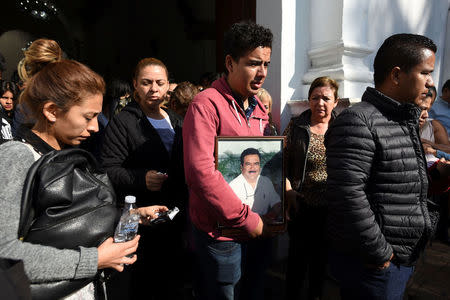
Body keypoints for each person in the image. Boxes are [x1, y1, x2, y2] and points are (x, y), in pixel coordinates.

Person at [0, 38, 166, 299]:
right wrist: (94, 260)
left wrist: (130, 217)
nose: (95, 127)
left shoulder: (70, 156)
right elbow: (5, 253)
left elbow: (67, 224)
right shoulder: (17, 157)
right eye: (88, 117)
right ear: (52, 111)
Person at [325, 33, 449, 300]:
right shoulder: (358, 121)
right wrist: (381, 254)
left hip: (402, 259)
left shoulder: (403, 120)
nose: (430, 83)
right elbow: (347, 195)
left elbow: (398, 179)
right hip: (375, 267)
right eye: (425, 73)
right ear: (396, 75)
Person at [183, 21, 274, 300]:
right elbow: (201, 173)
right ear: (230, 63)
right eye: (253, 63)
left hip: (257, 228)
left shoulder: (259, 107)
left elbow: (267, 160)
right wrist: (246, 219)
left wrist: (286, 189)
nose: (262, 73)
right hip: (221, 236)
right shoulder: (206, 104)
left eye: (266, 64)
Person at [100, 57, 187, 300]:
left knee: (172, 280)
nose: (154, 89)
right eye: (146, 82)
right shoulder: (124, 121)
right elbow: (107, 168)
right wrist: (140, 178)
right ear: (135, 85)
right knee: (145, 283)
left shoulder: (176, 120)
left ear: (169, 85)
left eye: (160, 82)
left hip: (173, 216)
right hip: (142, 220)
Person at [284, 76, 339, 300]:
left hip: (331, 209)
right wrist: (288, 190)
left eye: (326, 98)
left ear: (335, 101)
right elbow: (280, 162)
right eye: (315, 97)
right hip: (301, 205)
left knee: (321, 263)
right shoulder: (297, 127)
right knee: (297, 262)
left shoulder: (343, 129)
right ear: (308, 100)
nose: (320, 103)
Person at [229, 148, 281, 219]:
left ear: (259, 167)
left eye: (256, 164)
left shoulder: (266, 182)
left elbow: (276, 203)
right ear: (241, 167)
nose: (252, 167)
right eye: (248, 164)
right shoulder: (233, 186)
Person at [419, 86, 450, 166]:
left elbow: (448, 149)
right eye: (422, 108)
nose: (426, 115)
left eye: (427, 109)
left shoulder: (434, 126)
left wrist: (432, 147)